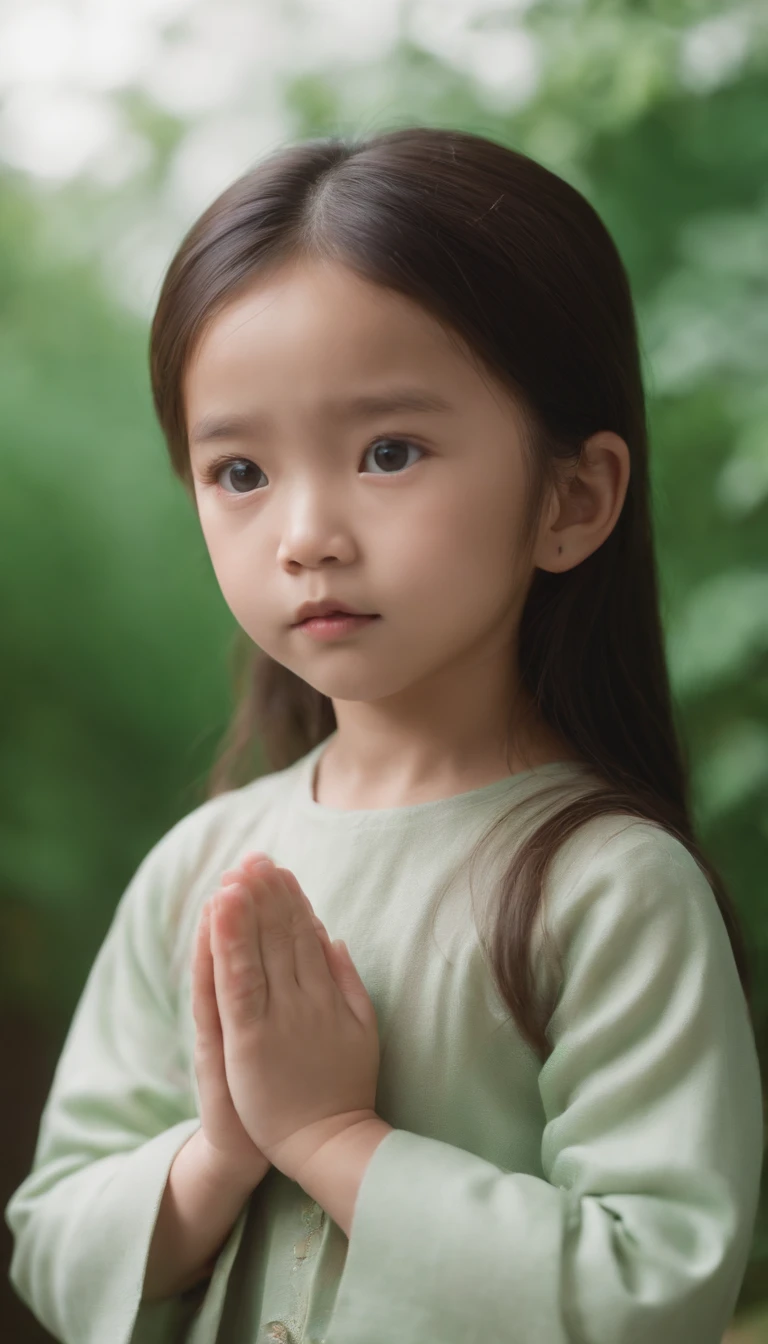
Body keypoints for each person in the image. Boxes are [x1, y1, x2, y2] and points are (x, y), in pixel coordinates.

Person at [5, 125, 764, 1344]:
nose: (305, 531)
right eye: (240, 471)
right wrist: (219, 1155)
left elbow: (656, 1282)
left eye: (388, 452)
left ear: (572, 499)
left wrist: (331, 1141)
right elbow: (53, 1228)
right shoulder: (201, 868)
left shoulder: (609, 888)